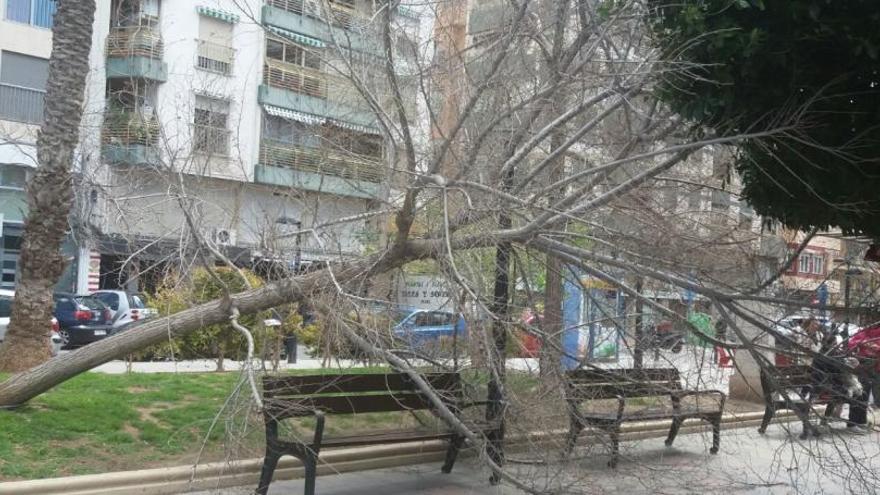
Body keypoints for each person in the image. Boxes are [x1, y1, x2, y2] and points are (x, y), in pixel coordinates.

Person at [846, 324, 880, 434]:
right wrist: (862, 344)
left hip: (874, 366)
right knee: (859, 393)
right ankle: (852, 423)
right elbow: (851, 343)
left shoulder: (873, 334)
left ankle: (861, 422)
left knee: (865, 394)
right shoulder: (863, 333)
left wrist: (876, 348)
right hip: (861, 366)